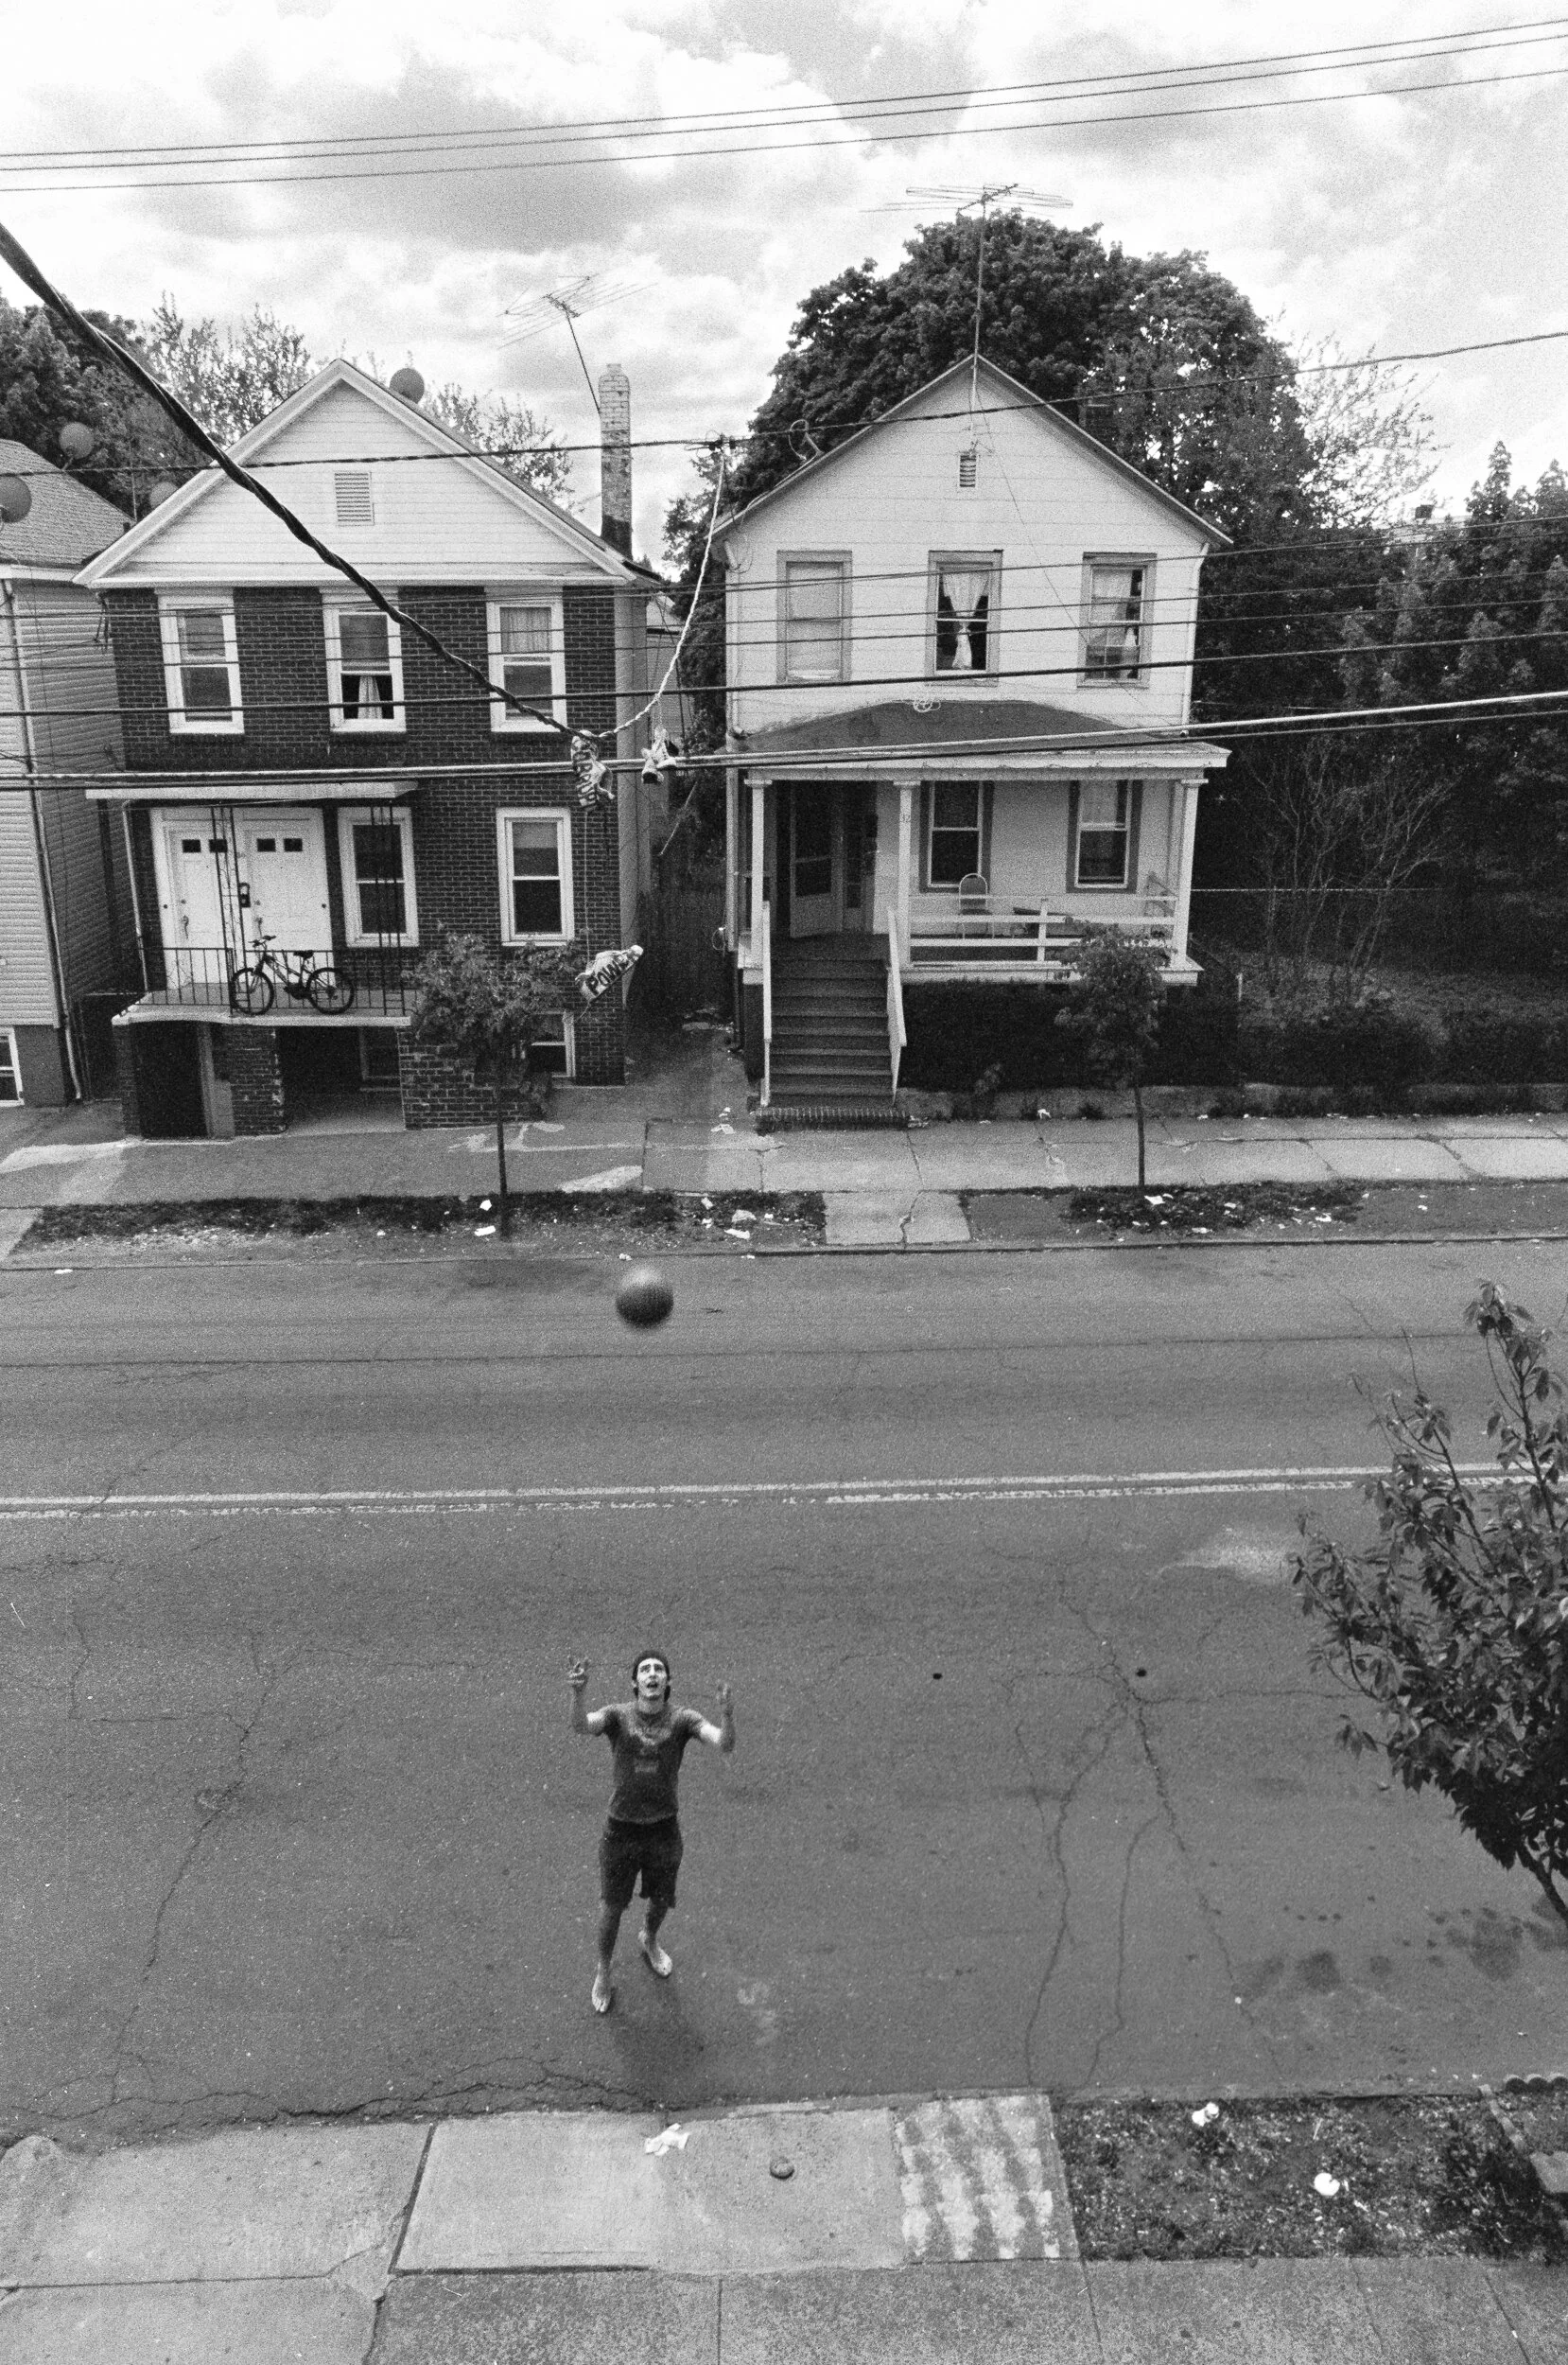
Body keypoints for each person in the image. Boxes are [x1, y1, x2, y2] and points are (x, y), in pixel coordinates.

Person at [567, 1649, 734, 2016]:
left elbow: (723, 1743)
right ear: (635, 1683)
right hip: (621, 1830)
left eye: (659, 1669)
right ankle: (602, 1970)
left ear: (667, 1682)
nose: (653, 1674)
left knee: (661, 1900)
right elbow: (582, 1726)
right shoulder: (617, 1716)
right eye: (645, 1670)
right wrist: (578, 1693)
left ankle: (649, 1938)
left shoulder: (682, 1720)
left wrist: (726, 1714)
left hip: (663, 1830)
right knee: (611, 1908)